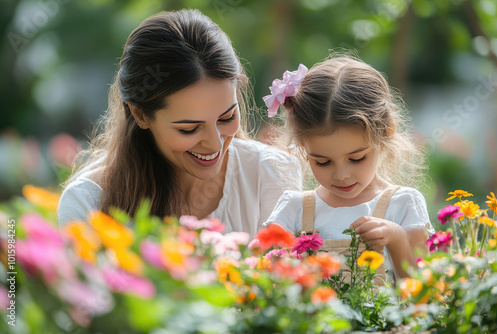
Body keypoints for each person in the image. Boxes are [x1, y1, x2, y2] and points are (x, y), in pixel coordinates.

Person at [57, 9, 302, 237]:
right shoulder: (88, 203)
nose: (215, 142)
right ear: (141, 115)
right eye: (189, 128)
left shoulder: (272, 174)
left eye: (227, 117)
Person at [263, 55, 434, 280]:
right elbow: (269, 283)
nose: (341, 175)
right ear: (304, 148)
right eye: (322, 162)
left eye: (356, 158)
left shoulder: (403, 205)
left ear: (386, 133)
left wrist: (397, 238)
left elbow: (422, 296)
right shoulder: (294, 210)